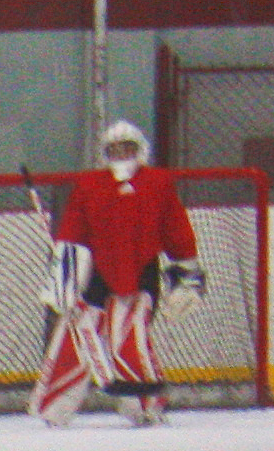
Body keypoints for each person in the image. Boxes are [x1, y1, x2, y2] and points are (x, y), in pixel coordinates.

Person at [35, 119, 207, 428]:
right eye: (114, 149)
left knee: (127, 336)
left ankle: (145, 406)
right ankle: (55, 407)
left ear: (140, 150)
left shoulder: (157, 182)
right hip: (96, 274)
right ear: (104, 153)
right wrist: (65, 279)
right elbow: (73, 231)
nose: (121, 154)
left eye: (127, 148)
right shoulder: (89, 185)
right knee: (75, 333)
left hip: (141, 273)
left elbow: (176, 230)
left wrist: (188, 273)